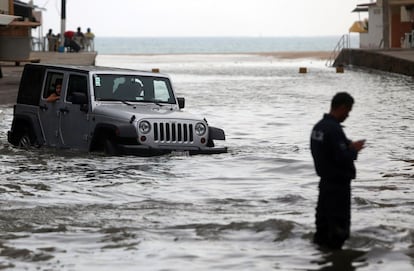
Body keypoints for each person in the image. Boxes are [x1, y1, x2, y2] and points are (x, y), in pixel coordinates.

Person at [310, 92, 365, 250]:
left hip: (325, 185)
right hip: (338, 188)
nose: (347, 115)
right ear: (342, 107)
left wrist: (347, 145)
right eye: (348, 111)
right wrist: (354, 150)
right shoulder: (333, 129)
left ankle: (322, 260)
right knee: (338, 232)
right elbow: (342, 156)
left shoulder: (318, 127)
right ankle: (336, 262)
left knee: (322, 229)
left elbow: (328, 151)